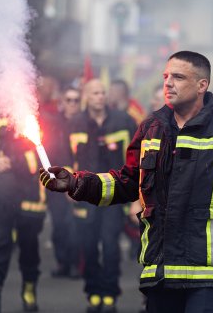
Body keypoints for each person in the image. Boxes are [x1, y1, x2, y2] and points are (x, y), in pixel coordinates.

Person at [41, 51, 213, 313]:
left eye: (178, 77)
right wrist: (76, 184)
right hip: (161, 270)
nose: (168, 82)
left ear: (202, 85)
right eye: (166, 76)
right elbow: (129, 181)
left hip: (212, 271)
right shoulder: (151, 127)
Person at [65, 78, 137, 312]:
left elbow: (136, 157)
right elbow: (65, 158)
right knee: (88, 244)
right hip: (85, 195)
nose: (100, 96)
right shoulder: (74, 122)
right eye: (95, 92)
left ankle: (110, 292)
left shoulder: (124, 120)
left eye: (103, 92)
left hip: (114, 195)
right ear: (86, 95)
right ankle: (93, 291)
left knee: (110, 245)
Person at [0, 117, 47, 313]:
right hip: (1, 196)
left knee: (29, 245)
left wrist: (12, 161)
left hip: (30, 195)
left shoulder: (38, 122)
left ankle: (29, 289)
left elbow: (42, 159)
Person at [46, 86, 80, 279]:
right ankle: (62, 262)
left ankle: (76, 263)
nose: (72, 104)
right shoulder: (55, 125)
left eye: (76, 100)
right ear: (62, 102)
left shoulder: (85, 123)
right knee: (59, 225)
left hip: (79, 183)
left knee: (75, 226)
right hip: (57, 183)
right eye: (69, 100)